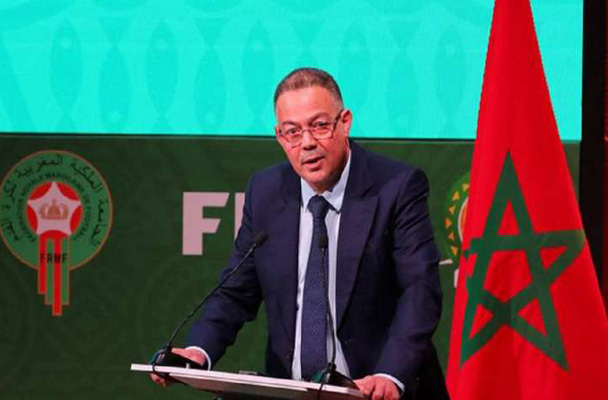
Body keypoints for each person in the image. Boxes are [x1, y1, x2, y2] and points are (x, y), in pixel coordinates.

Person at [152, 68, 448, 400]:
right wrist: (198, 351)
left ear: (345, 122)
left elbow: (420, 292)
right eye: (292, 132)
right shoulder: (266, 191)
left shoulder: (396, 187)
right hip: (293, 393)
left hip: (374, 392)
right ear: (279, 137)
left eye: (319, 126)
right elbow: (236, 293)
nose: (307, 143)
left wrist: (389, 375)